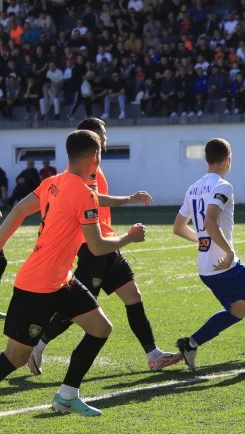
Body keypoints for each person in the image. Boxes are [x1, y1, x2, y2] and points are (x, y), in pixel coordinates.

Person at [0, 129, 146, 416]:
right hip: (37, 286)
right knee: (15, 358)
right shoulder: (81, 192)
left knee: (100, 328)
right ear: (94, 156)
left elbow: (18, 209)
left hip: (61, 280)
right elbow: (98, 245)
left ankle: (67, 395)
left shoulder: (53, 182)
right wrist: (130, 238)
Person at [27, 117, 181, 375]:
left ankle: (153, 354)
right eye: (101, 135)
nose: (105, 138)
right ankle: (38, 345)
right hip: (93, 248)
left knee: (133, 297)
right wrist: (130, 199)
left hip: (108, 246)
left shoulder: (93, 169)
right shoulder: (84, 170)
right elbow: (96, 201)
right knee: (79, 308)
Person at [172, 138, 245, 374]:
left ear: (206, 159)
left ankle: (190, 344)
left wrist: (202, 240)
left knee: (238, 311)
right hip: (225, 267)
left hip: (206, 268)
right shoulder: (223, 186)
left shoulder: (193, 188)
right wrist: (229, 251)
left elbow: (178, 227)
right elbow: (210, 220)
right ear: (228, 159)